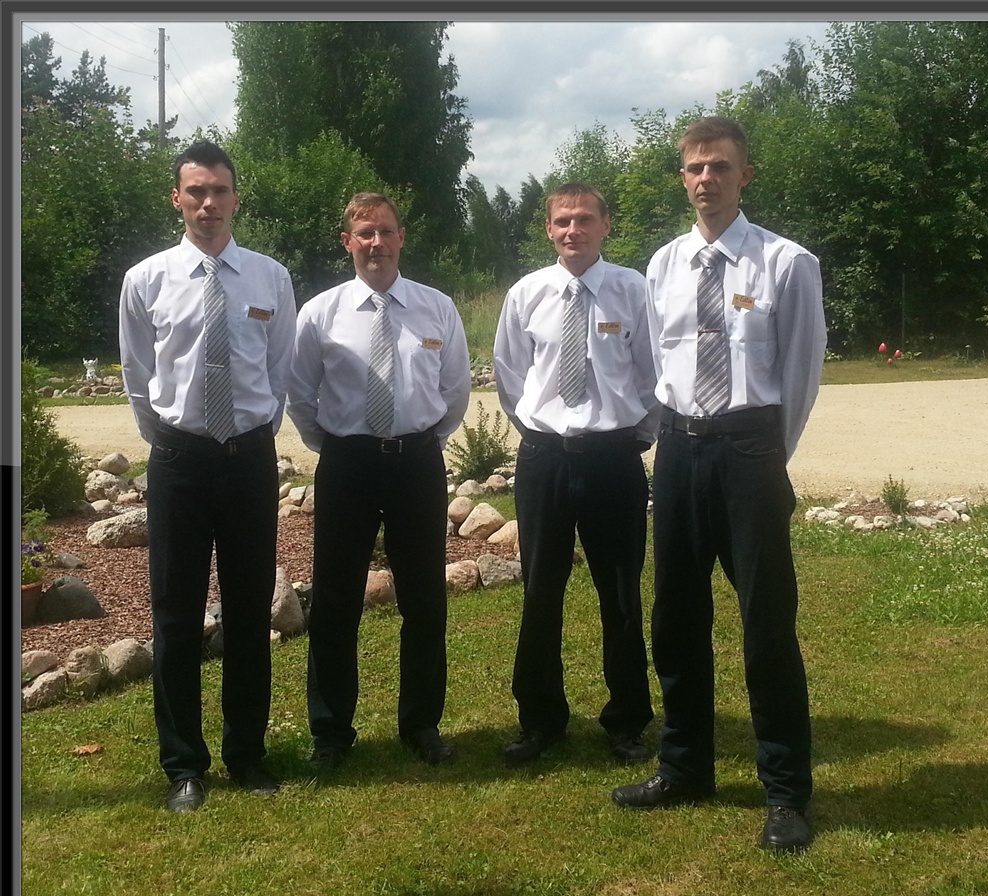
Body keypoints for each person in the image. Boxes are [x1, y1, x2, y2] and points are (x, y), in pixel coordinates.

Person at [611, 117, 827, 854]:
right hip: (678, 449)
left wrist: (764, 454)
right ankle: (685, 768)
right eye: (695, 168)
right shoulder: (663, 264)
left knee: (766, 622)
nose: (706, 179)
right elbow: (656, 363)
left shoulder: (786, 263)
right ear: (683, 178)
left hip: (749, 452)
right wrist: (674, 438)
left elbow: (800, 373)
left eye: (720, 167)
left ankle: (786, 791)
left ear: (745, 176)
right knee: (674, 616)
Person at [119, 139, 297, 812]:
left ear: (235, 198)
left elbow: (279, 368)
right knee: (176, 613)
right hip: (179, 462)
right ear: (177, 198)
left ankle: (247, 753)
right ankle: (184, 766)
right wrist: (171, 438)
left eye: (219, 190)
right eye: (196, 191)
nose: (208, 203)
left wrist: (252, 433)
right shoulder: (146, 280)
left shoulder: (270, 278)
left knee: (250, 610)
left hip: (248, 459)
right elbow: (138, 373)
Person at [287, 192, 471, 768]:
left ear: (400, 237)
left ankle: (421, 724)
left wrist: (422, 440)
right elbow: (300, 393)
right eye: (364, 233)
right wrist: (335, 446)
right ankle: (330, 733)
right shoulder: (321, 313)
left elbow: (455, 390)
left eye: (385, 231)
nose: (376, 243)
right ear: (348, 242)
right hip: (348, 466)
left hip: (417, 464)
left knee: (425, 599)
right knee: (335, 601)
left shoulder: (437, 308)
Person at [493, 182, 658, 766]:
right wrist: (543, 431)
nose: (573, 230)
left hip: (614, 459)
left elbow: (652, 374)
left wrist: (634, 436)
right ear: (548, 229)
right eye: (563, 221)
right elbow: (510, 376)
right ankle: (540, 720)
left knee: (621, 594)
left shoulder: (634, 290)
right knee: (541, 591)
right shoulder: (527, 294)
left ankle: (627, 720)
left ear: (605, 225)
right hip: (546, 459)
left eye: (585, 219)